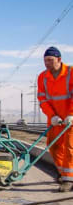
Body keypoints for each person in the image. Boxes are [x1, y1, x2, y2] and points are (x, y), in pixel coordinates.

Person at [37, 46, 73, 192]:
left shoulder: (70, 73)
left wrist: (71, 114)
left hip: (70, 118)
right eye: (45, 61)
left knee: (70, 148)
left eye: (50, 60)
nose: (47, 63)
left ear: (59, 59)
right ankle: (64, 174)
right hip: (55, 119)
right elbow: (42, 99)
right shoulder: (43, 77)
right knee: (54, 147)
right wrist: (52, 116)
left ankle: (68, 179)